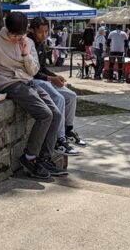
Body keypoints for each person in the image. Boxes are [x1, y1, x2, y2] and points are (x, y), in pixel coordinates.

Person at [0, 12, 66, 179]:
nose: (16, 38)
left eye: (20, 35)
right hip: (10, 84)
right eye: (13, 34)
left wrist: (25, 54)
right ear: (6, 29)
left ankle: (44, 157)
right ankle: (30, 157)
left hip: (28, 81)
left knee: (57, 114)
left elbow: (34, 71)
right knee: (45, 115)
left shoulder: (28, 42)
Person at [27, 17, 86, 156]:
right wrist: (51, 78)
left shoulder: (41, 43)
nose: (44, 35)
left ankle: (68, 129)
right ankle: (59, 140)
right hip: (33, 81)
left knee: (71, 96)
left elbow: (42, 67)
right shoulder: (28, 44)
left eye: (46, 31)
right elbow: (33, 73)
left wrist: (55, 76)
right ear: (32, 30)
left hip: (44, 78)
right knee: (59, 99)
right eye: (41, 32)